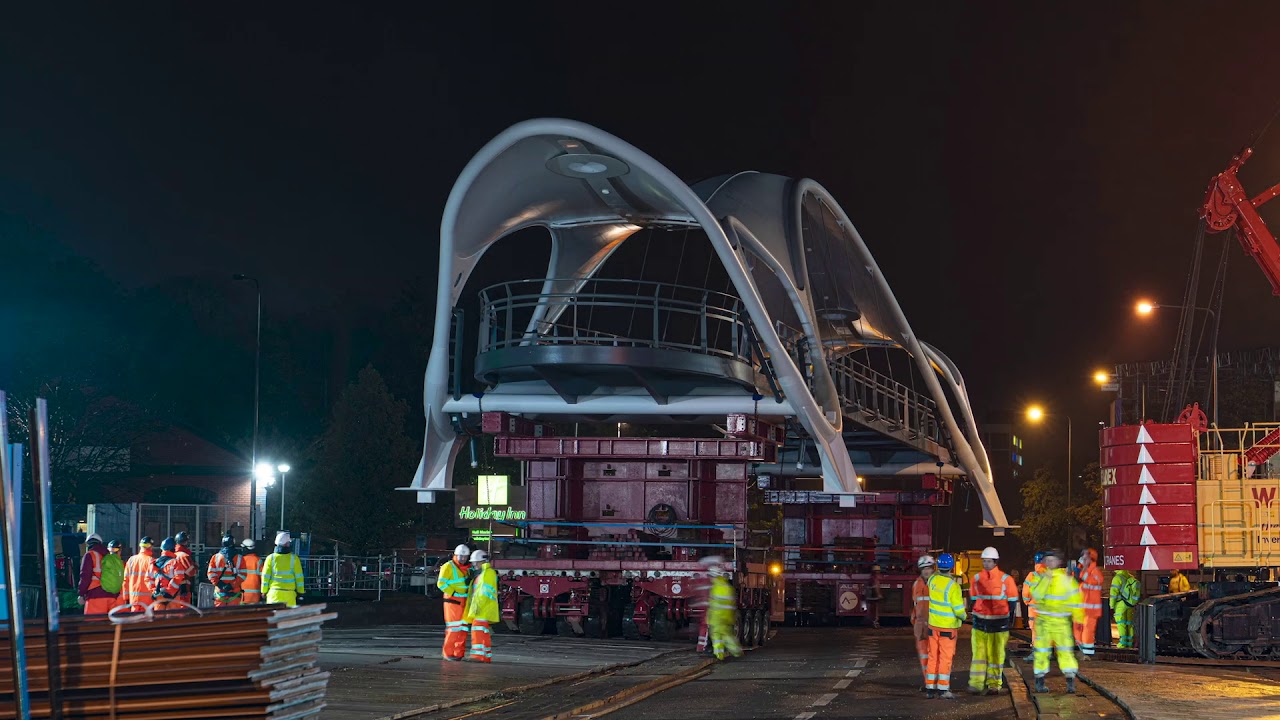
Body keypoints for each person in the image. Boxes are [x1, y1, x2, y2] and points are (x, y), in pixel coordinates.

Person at [1030, 549, 1084, 694]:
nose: (1049, 562)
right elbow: (1036, 595)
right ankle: (1040, 682)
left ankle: (1070, 681)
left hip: (1061, 623)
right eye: (1047, 560)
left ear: (1058, 562)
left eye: (1052, 559)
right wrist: (1046, 580)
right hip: (1044, 623)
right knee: (1041, 652)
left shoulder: (1066, 580)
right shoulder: (1041, 578)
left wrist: (1079, 620)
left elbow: (1076, 600)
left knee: (1065, 652)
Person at [968, 547, 1018, 695]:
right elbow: (973, 599)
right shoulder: (977, 578)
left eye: (988, 561)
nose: (985, 564)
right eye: (984, 561)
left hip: (998, 623)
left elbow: (1013, 602)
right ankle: (976, 684)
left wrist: (1009, 619)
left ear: (995, 562)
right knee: (979, 655)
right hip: (980, 623)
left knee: (996, 656)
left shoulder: (1006, 580)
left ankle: (994, 685)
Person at [925, 552, 966, 699]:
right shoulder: (953, 586)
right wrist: (965, 616)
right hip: (948, 628)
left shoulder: (932, 580)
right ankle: (943, 688)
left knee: (932, 656)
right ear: (952, 567)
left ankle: (930, 687)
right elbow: (959, 610)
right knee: (945, 658)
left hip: (932, 626)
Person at [701, 555, 743, 661]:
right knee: (726, 635)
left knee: (717, 636)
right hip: (727, 616)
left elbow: (713, 603)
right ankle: (736, 651)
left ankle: (720, 655)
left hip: (717, 616)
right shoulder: (726, 586)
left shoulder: (716, 587)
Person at [437, 544, 473, 661]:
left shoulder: (468, 568)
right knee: (453, 629)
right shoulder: (448, 566)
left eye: (465, 557)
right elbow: (441, 584)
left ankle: (458, 654)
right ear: (455, 555)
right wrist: (453, 593)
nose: (463, 559)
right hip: (452, 602)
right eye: (460, 556)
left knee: (463, 629)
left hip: (464, 601)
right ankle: (448, 653)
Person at [463, 549, 499, 663]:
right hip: (483, 609)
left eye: (475, 562)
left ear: (481, 562)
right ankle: (485, 656)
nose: (474, 565)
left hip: (482, 609)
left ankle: (478, 656)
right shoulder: (485, 574)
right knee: (483, 633)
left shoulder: (487, 574)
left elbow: (483, 593)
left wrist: (477, 607)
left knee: (478, 632)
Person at [909, 555, 935, 691]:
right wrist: (914, 621)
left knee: (934, 654)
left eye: (929, 568)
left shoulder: (937, 584)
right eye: (924, 569)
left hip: (934, 624)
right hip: (920, 625)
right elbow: (915, 604)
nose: (926, 571)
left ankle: (934, 682)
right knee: (924, 655)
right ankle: (928, 682)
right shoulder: (916, 584)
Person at [78, 534, 119, 615]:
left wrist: (81, 593)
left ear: (88, 544)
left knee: (94, 624)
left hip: (96, 595)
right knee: (110, 624)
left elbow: (85, 576)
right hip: (112, 595)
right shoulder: (110, 556)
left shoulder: (90, 555)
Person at [1074, 548, 1104, 661]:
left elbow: (1093, 581)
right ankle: (1082, 651)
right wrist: (1078, 568)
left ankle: (1087, 654)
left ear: (1091, 559)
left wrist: (1080, 573)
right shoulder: (1084, 570)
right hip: (1082, 609)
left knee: (1087, 631)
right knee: (1077, 629)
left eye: (1085, 558)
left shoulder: (1095, 572)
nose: (1082, 559)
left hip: (1091, 610)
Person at [262, 531, 305, 607]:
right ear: (287, 544)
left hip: (274, 595)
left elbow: (265, 577)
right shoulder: (294, 559)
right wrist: (300, 592)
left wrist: (264, 591)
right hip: (289, 596)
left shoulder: (270, 558)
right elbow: (299, 577)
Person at [152, 537, 193, 609]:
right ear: (173, 549)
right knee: (173, 619)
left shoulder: (154, 563)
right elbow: (178, 578)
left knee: (159, 619)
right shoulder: (175, 563)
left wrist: (154, 592)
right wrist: (169, 592)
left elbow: (148, 579)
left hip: (158, 599)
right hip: (173, 599)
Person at [207, 535, 245, 607]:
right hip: (234, 593)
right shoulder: (240, 558)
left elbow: (211, 574)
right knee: (233, 616)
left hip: (220, 593)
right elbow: (243, 575)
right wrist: (232, 585)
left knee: (220, 616)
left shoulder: (215, 557)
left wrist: (220, 584)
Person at [122, 536, 158, 610]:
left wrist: (126, 598)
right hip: (148, 602)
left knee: (135, 620)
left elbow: (125, 580)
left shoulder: (131, 560)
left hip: (134, 600)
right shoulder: (151, 561)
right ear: (151, 547)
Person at [1021, 552, 1045, 661]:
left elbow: (1026, 593)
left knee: (1035, 631)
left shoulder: (1032, 576)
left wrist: (1027, 602)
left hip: (1035, 608)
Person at [1110, 568, 1141, 649]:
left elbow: (1113, 594)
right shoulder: (1129, 576)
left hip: (1120, 605)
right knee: (1129, 624)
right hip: (1129, 604)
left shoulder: (1117, 578)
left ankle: (1122, 644)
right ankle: (1129, 643)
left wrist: (1111, 606)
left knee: (1121, 623)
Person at [239, 539, 263, 604]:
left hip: (242, 596)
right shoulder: (258, 561)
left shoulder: (240, 560)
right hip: (255, 596)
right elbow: (263, 578)